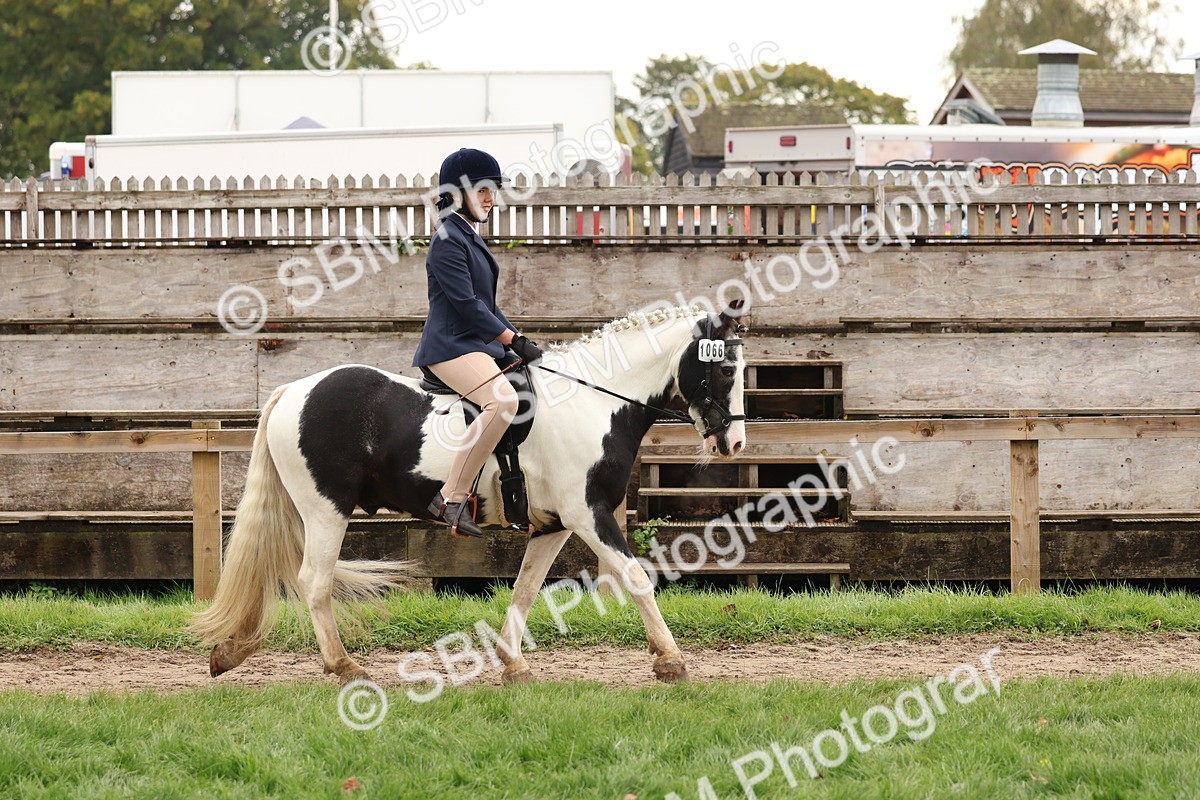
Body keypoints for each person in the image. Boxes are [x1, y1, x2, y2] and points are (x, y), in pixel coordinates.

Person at [412, 148, 544, 537]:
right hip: (450, 346)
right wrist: (510, 339)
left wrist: (519, 338)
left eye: (495, 190)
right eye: (484, 189)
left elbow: (488, 305)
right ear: (457, 192)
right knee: (502, 401)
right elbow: (467, 306)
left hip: (474, 344)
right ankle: (451, 498)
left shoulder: (468, 235)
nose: (492, 198)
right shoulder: (448, 238)